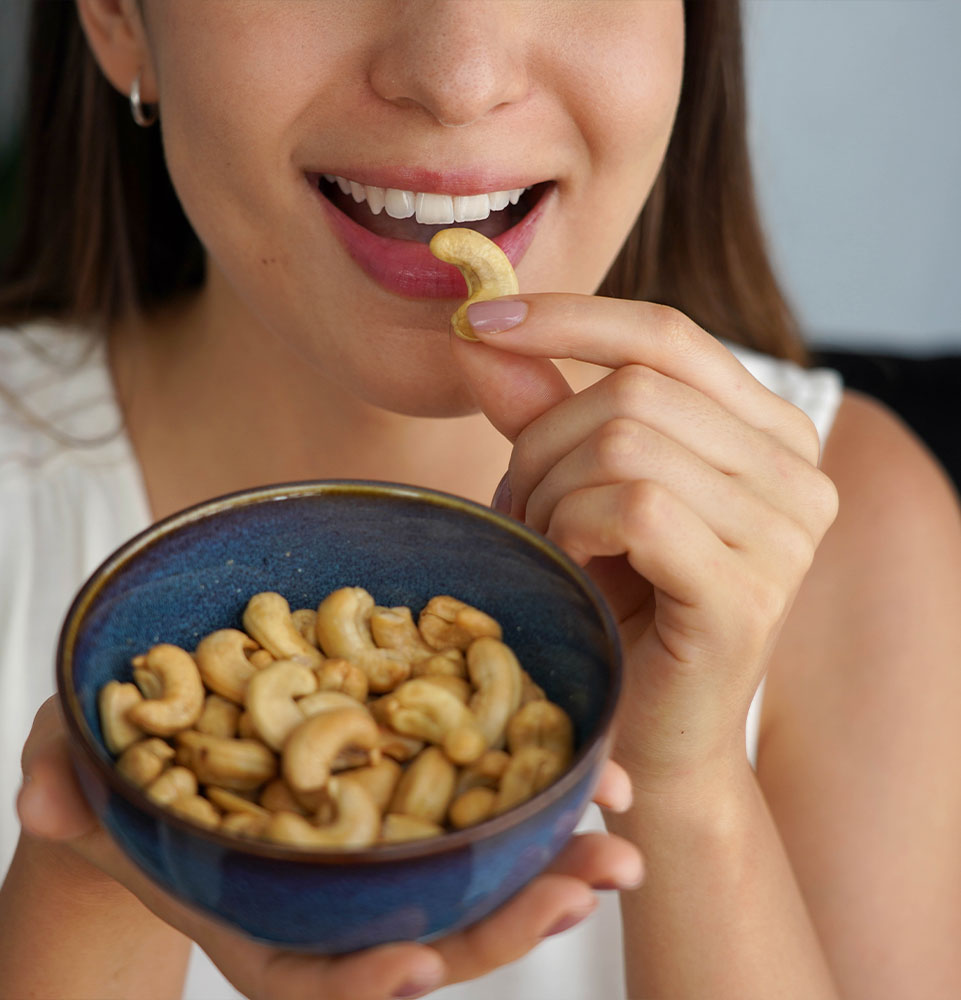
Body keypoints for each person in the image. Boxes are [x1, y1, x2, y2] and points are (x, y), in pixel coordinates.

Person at [1, 1, 960, 998]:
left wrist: (688, 788)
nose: (457, 78)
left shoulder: (865, 531)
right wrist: (94, 856)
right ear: (117, 16)